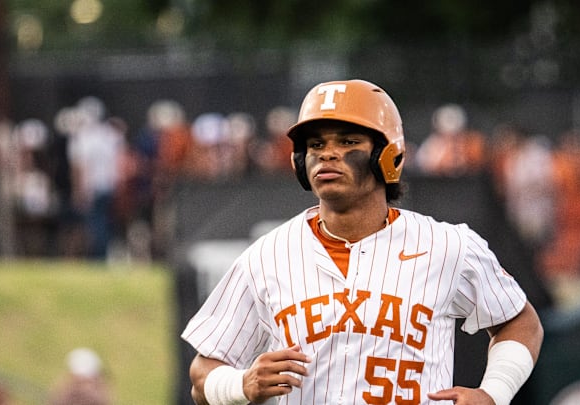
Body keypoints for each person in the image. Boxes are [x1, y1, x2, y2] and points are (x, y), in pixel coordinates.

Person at [182, 79, 543, 405]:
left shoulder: (447, 245)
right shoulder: (266, 255)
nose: (327, 153)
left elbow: (520, 321)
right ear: (298, 160)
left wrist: (494, 392)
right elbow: (203, 372)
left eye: (348, 141)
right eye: (316, 143)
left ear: (388, 154)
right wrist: (240, 384)